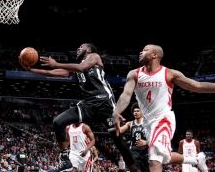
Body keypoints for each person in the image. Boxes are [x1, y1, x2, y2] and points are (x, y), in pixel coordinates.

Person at [19, 43, 137, 172]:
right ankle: (65, 160)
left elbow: (81, 67)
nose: (78, 49)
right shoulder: (76, 67)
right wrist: (30, 70)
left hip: (105, 103)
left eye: (81, 47)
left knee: (120, 143)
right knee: (58, 122)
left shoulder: (94, 57)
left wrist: (56, 63)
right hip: (88, 104)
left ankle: (134, 170)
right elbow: (52, 73)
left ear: (89, 50)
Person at [112, 44, 210, 172]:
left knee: (154, 160)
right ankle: (196, 160)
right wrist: (116, 111)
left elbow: (196, 86)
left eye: (145, 50)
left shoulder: (169, 73)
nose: (141, 52)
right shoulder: (134, 74)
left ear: (154, 55)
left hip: (163, 119)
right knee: (164, 157)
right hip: (147, 122)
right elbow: (126, 95)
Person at [120, 103, 149, 172]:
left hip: (145, 152)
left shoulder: (147, 123)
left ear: (142, 112)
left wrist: (147, 142)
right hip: (134, 151)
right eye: (134, 111)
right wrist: (113, 123)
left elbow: (154, 137)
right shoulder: (130, 123)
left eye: (137, 111)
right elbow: (120, 130)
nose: (135, 113)